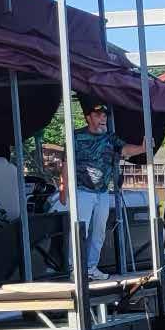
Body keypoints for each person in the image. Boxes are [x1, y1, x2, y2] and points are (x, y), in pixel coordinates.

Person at [62, 102, 146, 280]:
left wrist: (142, 148)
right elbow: (66, 163)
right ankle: (74, 268)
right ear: (88, 117)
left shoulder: (110, 138)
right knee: (79, 230)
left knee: (99, 232)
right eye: (98, 115)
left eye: (104, 115)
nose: (103, 118)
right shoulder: (75, 137)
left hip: (102, 192)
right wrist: (64, 188)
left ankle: (91, 267)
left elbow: (124, 149)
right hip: (81, 191)